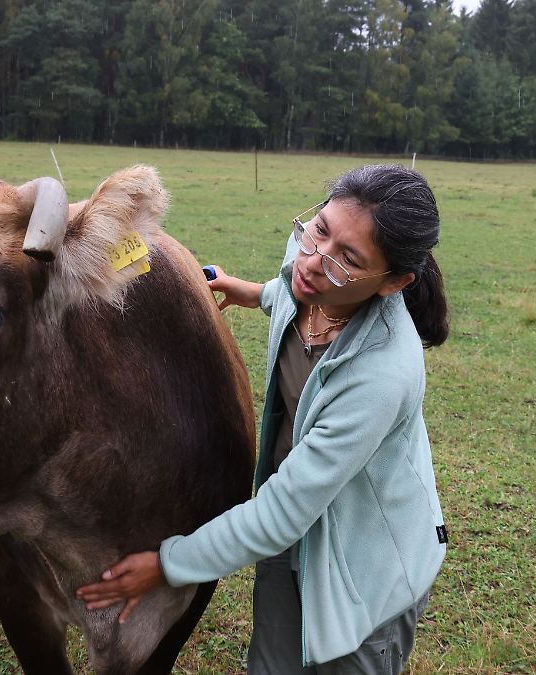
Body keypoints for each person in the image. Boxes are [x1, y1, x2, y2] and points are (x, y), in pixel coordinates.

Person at [77, 164, 449, 673]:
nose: (314, 262)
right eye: (319, 229)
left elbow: (278, 515)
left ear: (394, 282)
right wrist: (252, 291)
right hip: (295, 539)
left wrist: (166, 565)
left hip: (364, 566)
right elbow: (294, 296)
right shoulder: (309, 268)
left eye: (348, 260)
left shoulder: (381, 374)